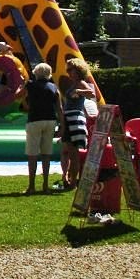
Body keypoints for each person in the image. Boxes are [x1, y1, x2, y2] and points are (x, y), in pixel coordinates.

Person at [14, 63, 63, 195]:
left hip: (35, 120)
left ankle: (31, 186)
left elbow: (17, 96)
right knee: (46, 154)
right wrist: (62, 126)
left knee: (33, 154)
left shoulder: (30, 84)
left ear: (36, 73)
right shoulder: (53, 87)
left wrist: (19, 87)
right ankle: (45, 185)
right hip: (50, 120)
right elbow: (59, 108)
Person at [60, 58, 96, 189]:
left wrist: (79, 92)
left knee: (73, 153)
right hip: (69, 119)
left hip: (74, 119)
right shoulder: (73, 84)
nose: (68, 72)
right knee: (69, 151)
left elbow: (91, 93)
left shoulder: (80, 83)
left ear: (78, 70)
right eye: (67, 70)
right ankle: (70, 179)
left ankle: (73, 182)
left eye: (70, 70)